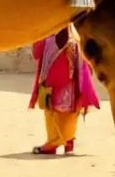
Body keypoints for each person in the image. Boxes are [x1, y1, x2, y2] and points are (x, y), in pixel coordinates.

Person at [30, 26, 102, 155]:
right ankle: (69, 142)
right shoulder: (76, 39)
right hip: (73, 86)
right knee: (71, 112)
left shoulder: (49, 40)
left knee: (52, 111)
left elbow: (36, 53)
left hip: (54, 85)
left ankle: (53, 143)